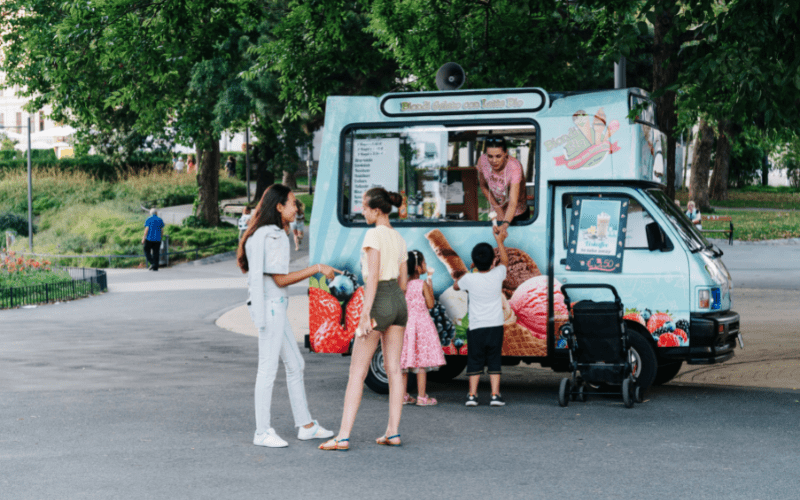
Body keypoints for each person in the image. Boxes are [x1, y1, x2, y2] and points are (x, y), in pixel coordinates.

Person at [237, 184, 338, 448]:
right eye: (293, 203)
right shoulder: (273, 235)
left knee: (295, 365)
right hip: (272, 307)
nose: (297, 208)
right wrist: (316, 268)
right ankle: (261, 432)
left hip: (273, 308)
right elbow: (280, 279)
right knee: (268, 369)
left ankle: (305, 426)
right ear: (279, 207)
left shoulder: (264, 232)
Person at [319, 187, 408, 451]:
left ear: (376, 210)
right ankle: (393, 432)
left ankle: (343, 436)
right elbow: (403, 283)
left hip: (378, 299)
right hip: (398, 303)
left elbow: (372, 279)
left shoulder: (373, 235)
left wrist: (365, 315)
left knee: (357, 372)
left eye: (364, 207)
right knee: (394, 371)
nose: (362, 211)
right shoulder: (399, 238)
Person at [452, 229, 509, 407]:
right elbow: (505, 261)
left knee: (474, 360)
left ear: (474, 261)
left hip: (476, 327)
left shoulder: (469, 278)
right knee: (494, 360)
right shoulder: (498, 274)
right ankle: (495, 395)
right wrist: (499, 241)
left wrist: (470, 271)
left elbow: (455, 286)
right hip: (495, 326)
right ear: (493, 261)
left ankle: (472, 396)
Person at [400, 250, 446, 406]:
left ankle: (403, 396)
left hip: (406, 326)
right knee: (421, 362)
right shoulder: (422, 284)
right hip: (421, 325)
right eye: (424, 263)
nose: (426, 265)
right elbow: (431, 303)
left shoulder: (402, 285)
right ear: (418, 267)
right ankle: (421, 397)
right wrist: (430, 280)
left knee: (404, 362)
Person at [477, 136, 529, 239]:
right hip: (497, 210)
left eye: (498, 156)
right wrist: (497, 208)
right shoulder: (482, 161)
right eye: (490, 156)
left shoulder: (514, 167)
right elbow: (483, 186)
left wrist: (505, 225)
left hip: (517, 212)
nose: (493, 160)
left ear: (506, 153)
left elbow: (513, 202)